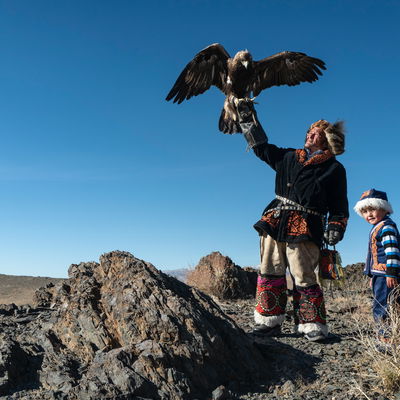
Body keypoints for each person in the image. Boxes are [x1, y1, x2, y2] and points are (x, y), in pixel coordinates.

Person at [236, 99, 349, 342]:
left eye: (317, 133)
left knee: (304, 274)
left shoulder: (334, 168)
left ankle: (311, 325)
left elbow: (339, 205)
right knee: (269, 270)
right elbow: (261, 148)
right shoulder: (287, 157)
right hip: (275, 220)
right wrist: (247, 119)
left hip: (308, 225)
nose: (310, 134)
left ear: (326, 140)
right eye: (310, 131)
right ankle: (269, 322)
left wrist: (335, 227)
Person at [354, 189, 400, 339]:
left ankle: (385, 338)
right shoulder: (378, 227)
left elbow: (392, 250)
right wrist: (371, 275)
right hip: (379, 275)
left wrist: (391, 272)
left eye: (372, 209)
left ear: (384, 208)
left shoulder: (386, 227)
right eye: (365, 211)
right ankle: (391, 335)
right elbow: (373, 256)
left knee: (382, 306)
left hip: (386, 275)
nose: (369, 214)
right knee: (387, 303)